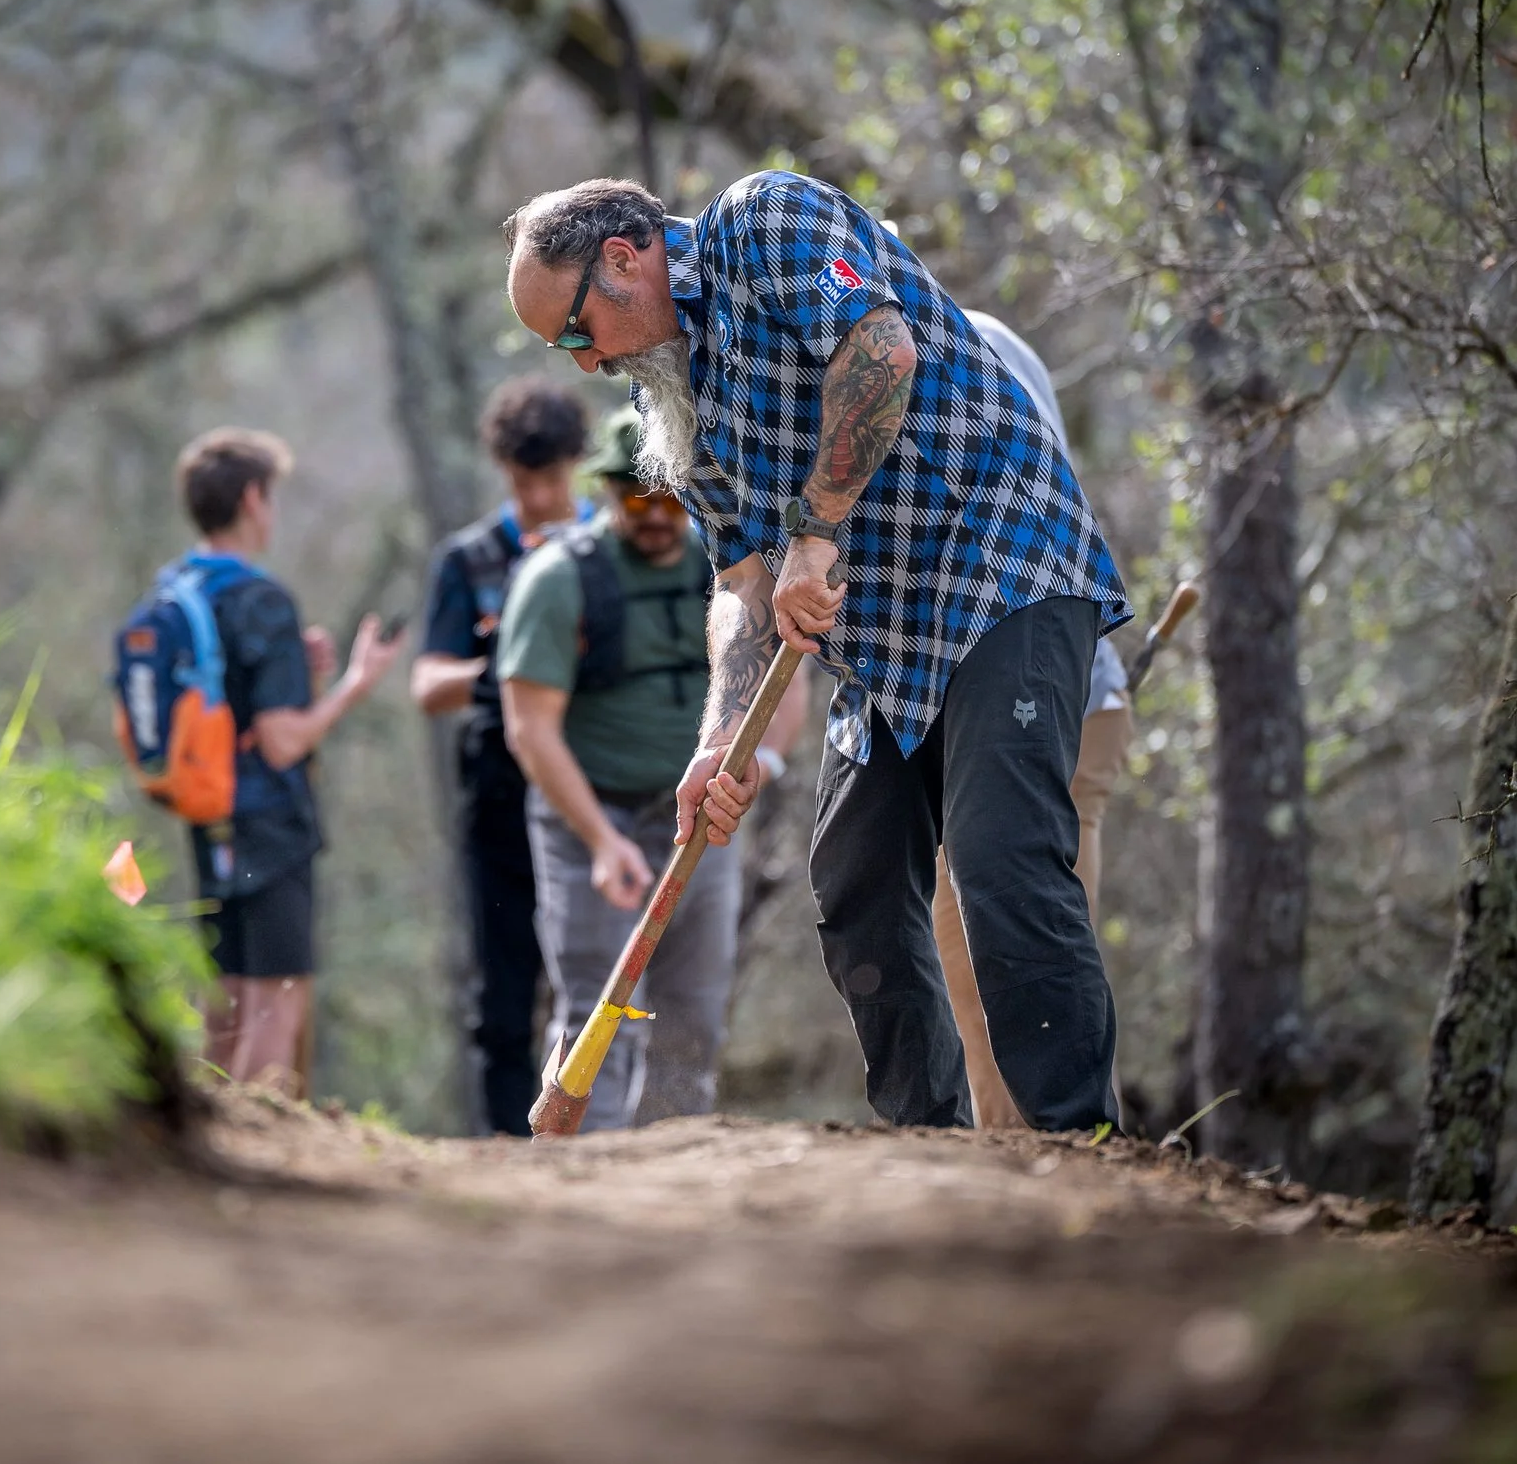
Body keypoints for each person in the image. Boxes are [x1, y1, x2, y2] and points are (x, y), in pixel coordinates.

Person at [502, 172, 1131, 1133]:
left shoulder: (769, 221)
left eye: (578, 332)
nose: (585, 365)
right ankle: (929, 1143)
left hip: (1002, 570)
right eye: (564, 351)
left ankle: (1078, 1137)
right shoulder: (674, 392)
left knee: (1003, 862)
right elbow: (744, 583)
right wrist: (720, 740)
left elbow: (880, 347)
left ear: (625, 259)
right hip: (884, 642)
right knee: (856, 880)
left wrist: (818, 529)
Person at [496, 408, 808, 1130]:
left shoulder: (733, 571)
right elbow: (531, 728)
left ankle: (671, 1165)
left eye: (669, 495)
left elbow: (786, 686)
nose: (656, 514)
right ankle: (583, 1173)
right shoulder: (557, 581)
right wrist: (601, 841)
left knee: (691, 1012)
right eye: (636, 496)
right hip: (590, 821)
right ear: (606, 492)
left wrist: (753, 764)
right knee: (594, 1007)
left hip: (700, 821)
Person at [931, 310, 1136, 1130]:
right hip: (1060, 690)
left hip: (1047, 694)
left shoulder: (955, 345)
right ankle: (1033, 1151)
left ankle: (1054, 1153)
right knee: (1017, 926)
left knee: (1017, 930)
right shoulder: (982, 330)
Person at [164, 427, 403, 1094]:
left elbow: (237, 705)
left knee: (230, 992)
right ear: (251, 497)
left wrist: (304, 676)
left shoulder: (183, 590)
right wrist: (356, 682)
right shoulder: (260, 598)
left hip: (209, 817)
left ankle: (210, 1129)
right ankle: (259, 1148)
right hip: (270, 824)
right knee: (277, 995)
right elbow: (281, 741)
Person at [411, 377, 593, 1136]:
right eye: (526, 482)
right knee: (505, 982)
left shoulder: (610, 547)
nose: (543, 496)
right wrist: (513, 668)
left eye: (554, 478)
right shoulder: (470, 558)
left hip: (596, 783)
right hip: (497, 791)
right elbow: (428, 683)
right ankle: (507, 1146)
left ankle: (608, 1134)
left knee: (590, 968)